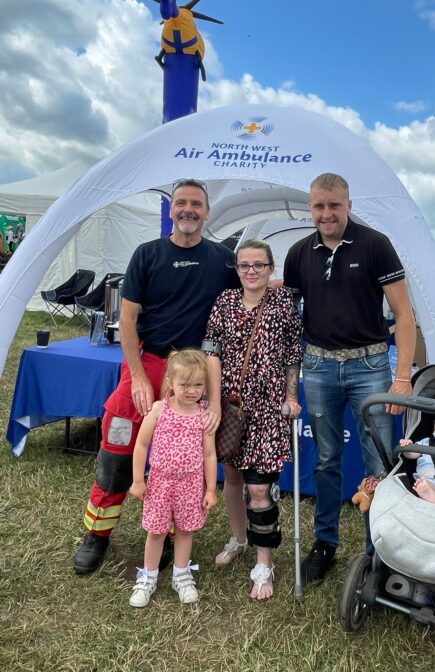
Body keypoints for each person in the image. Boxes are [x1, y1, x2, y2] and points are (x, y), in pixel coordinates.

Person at [74, 179, 239, 575]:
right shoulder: (146, 254)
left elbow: (251, 289)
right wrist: (138, 377)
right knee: (116, 450)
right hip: (146, 365)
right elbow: (127, 319)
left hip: (192, 373)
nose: (188, 209)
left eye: (196, 204)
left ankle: (165, 536)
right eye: (181, 202)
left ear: (207, 212)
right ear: (171, 210)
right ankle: (96, 535)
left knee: (180, 459)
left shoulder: (222, 259)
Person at [283, 172, 417, 585]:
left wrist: (402, 378)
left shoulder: (375, 245)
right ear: (311, 208)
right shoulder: (298, 252)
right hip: (319, 367)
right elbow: (289, 316)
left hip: (370, 367)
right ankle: (325, 544)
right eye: (319, 207)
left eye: (334, 206)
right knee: (326, 461)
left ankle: (379, 551)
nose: (326, 214)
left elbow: (405, 315)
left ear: (348, 205)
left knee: (378, 460)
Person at [203, 239, 302, 600]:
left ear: (271, 268)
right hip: (231, 406)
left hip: (268, 409)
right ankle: (239, 538)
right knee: (230, 475)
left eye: (259, 265)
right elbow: (210, 350)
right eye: (244, 265)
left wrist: (291, 397)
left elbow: (293, 352)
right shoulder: (225, 302)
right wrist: (214, 402)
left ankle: (264, 562)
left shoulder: (282, 305)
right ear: (237, 269)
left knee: (259, 488)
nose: (251, 271)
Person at [128, 349, 217, 607]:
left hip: (190, 484)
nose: (192, 390)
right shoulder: (158, 410)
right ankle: (148, 577)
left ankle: (181, 574)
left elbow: (210, 455)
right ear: (171, 383)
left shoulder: (203, 416)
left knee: (185, 530)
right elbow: (141, 445)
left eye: (198, 384)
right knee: (155, 531)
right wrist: (137, 480)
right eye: (185, 384)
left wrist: (210, 489)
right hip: (160, 483)